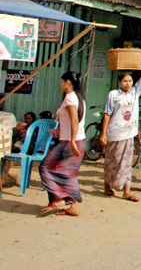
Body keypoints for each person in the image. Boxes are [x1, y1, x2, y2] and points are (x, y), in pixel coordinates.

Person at [99, 49, 141, 201]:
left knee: (127, 162)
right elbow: (107, 113)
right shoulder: (113, 94)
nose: (128, 83)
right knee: (111, 160)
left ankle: (126, 190)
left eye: (129, 81)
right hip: (114, 132)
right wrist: (103, 133)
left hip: (129, 133)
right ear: (120, 82)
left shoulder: (135, 92)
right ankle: (108, 186)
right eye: (125, 81)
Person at [39, 71, 86, 217]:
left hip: (71, 141)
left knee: (45, 167)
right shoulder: (79, 98)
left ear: (67, 82)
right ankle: (73, 207)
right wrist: (59, 131)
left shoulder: (71, 98)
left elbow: (74, 120)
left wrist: (71, 140)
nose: (61, 85)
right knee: (68, 174)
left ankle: (59, 198)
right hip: (76, 139)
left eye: (62, 82)